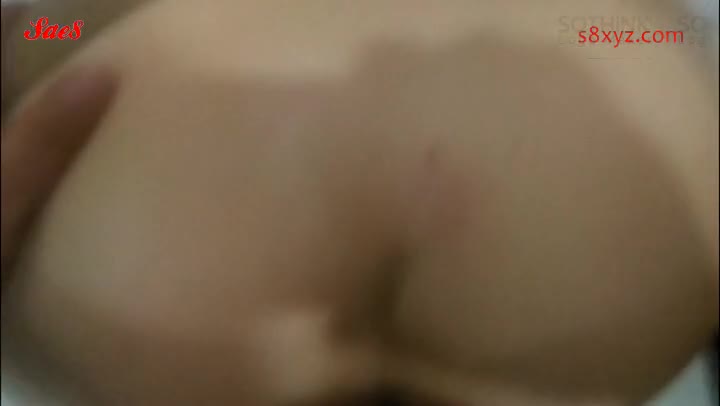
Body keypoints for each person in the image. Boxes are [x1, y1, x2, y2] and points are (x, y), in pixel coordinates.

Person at [1, 0, 718, 405]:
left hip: (131, 216)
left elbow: (47, 29)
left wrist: (38, 31)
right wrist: (659, 39)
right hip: (609, 76)